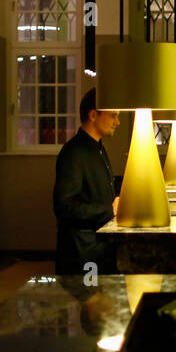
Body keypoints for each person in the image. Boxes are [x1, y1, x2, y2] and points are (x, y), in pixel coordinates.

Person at [53, 88, 120, 275]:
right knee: (91, 303)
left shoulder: (97, 148)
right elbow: (64, 207)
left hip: (97, 249)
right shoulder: (73, 153)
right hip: (82, 254)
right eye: (113, 115)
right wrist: (110, 210)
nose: (118, 122)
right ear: (93, 115)